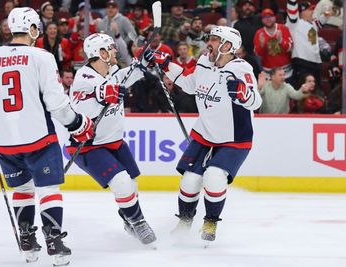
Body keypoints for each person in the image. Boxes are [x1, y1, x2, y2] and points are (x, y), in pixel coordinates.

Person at [0, 7, 94, 266]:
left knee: (22, 189)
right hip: (38, 137)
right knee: (48, 189)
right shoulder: (41, 56)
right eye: (36, 28)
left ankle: (27, 241)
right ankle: (54, 241)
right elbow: (55, 101)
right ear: (31, 29)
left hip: (5, 142)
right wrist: (77, 123)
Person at [153, 26, 262, 242]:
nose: (208, 42)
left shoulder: (241, 69)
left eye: (213, 39)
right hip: (205, 133)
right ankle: (184, 221)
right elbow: (188, 84)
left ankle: (210, 222)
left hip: (234, 137)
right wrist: (165, 64)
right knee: (190, 181)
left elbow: (256, 102)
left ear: (228, 45)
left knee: (213, 177)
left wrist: (242, 92)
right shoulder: (204, 62)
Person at [66, 33, 157, 246]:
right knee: (122, 182)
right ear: (102, 53)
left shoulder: (111, 71)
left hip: (114, 141)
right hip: (88, 146)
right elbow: (91, 97)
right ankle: (139, 222)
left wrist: (144, 62)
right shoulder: (83, 78)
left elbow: (126, 76)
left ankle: (128, 221)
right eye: (112, 48)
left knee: (131, 185)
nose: (116, 51)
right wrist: (104, 93)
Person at [253, 8, 293, 81]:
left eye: (270, 16)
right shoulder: (259, 33)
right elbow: (257, 54)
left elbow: (290, 48)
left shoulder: (283, 29)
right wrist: (262, 45)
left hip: (286, 73)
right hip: (269, 74)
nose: (268, 19)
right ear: (262, 20)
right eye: (265, 17)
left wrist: (281, 41)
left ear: (274, 17)